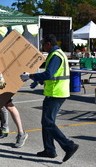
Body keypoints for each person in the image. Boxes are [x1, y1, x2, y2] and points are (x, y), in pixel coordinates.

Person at [20, 34, 79, 162]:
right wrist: (37, 81)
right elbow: (52, 75)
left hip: (56, 93)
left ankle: (69, 146)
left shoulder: (56, 56)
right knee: (46, 122)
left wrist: (30, 76)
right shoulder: (57, 54)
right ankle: (49, 150)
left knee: (48, 123)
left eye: (43, 44)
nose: (42, 46)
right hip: (54, 92)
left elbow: (48, 74)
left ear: (49, 44)